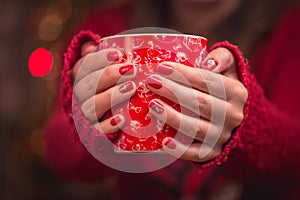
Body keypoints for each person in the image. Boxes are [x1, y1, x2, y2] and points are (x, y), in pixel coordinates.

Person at [45, 0, 300, 199]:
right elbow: (60, 151)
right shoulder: (105, 29)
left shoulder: (290, 31)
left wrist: (247, 126)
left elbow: (293, 156)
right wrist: (85, 122)